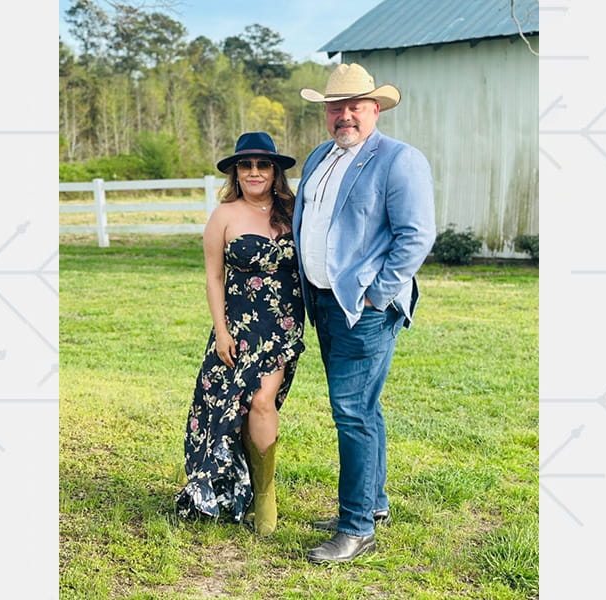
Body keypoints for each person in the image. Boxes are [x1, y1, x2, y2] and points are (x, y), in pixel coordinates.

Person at [294, 63, 436, 562]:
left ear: (376, 108)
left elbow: (416, 235)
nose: (345, 115)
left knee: (351, 412)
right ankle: (372, 504)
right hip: (324, 303)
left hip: (364, 309)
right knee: (364, 408)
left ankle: (355, 527)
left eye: (356, 105)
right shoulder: (319, 158)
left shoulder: (399, 160)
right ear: (326, 112)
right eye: (336, 106)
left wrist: (379, 294)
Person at [175, 132, 305, 537]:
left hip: (282, 326)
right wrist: (221, 332)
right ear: (236, 172)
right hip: (238, 329)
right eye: (245, 165)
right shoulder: (224, 215)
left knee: (263, 402)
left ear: (275, 171)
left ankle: (265, 496)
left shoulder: (295, 211)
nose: (253, 172)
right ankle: (235, 488)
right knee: (234, 410)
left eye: (262, 165)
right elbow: (214, 278)